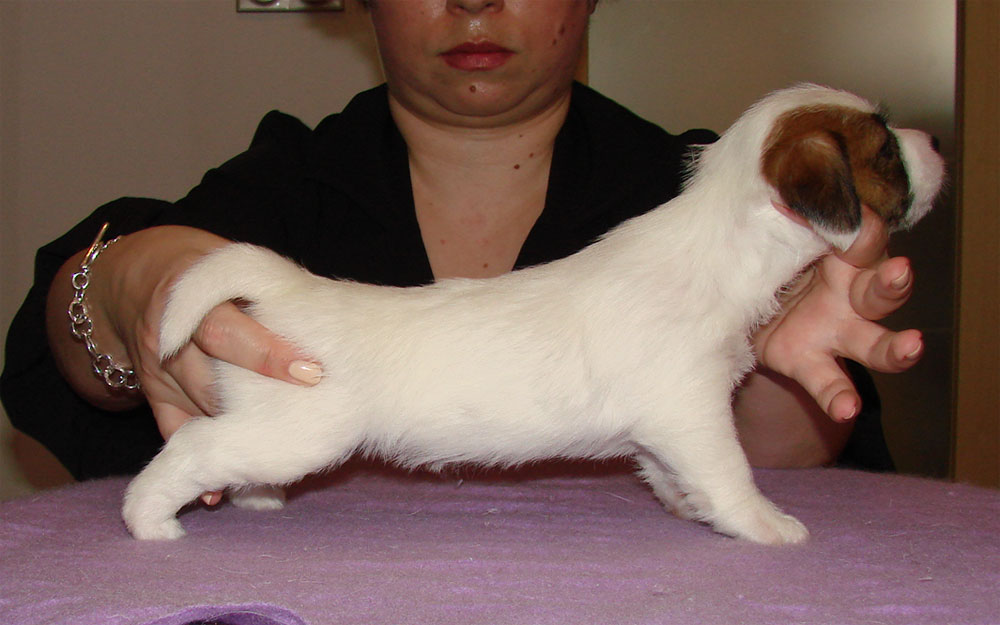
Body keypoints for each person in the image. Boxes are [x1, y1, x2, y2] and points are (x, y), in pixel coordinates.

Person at [2, 0, 919, 491]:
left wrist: (766, 358)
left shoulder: (735, 204)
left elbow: (801, 467)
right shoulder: (282, 187)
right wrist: (118, 287)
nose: (475, 0)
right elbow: (47, 356)